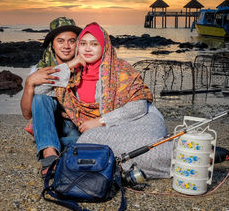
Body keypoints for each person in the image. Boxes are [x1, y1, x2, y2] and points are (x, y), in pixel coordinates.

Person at [41, 22, 172, 178]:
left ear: (104, 46)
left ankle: (187, 156)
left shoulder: (120, 69)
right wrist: (68, 66)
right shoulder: (73, 73)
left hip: (141, 119)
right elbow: (40, 90)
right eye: (83, 43)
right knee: (90, 144)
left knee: (94, 142)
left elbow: (139, 107)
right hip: (107, 129)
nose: (87, 48)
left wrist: (100, 121)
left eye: (94, 44)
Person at [20, 17, 83, 177]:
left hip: (79, 126)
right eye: (60, 41)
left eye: (71, 41)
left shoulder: (86, 65)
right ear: (52, 44)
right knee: (41, 98)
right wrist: (29, 84)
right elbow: (27, 114)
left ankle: (57, 146)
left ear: (78, 43)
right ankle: (50, 155)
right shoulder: (40, 69)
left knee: (78, 145)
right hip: (53, 124)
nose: (66, 46)